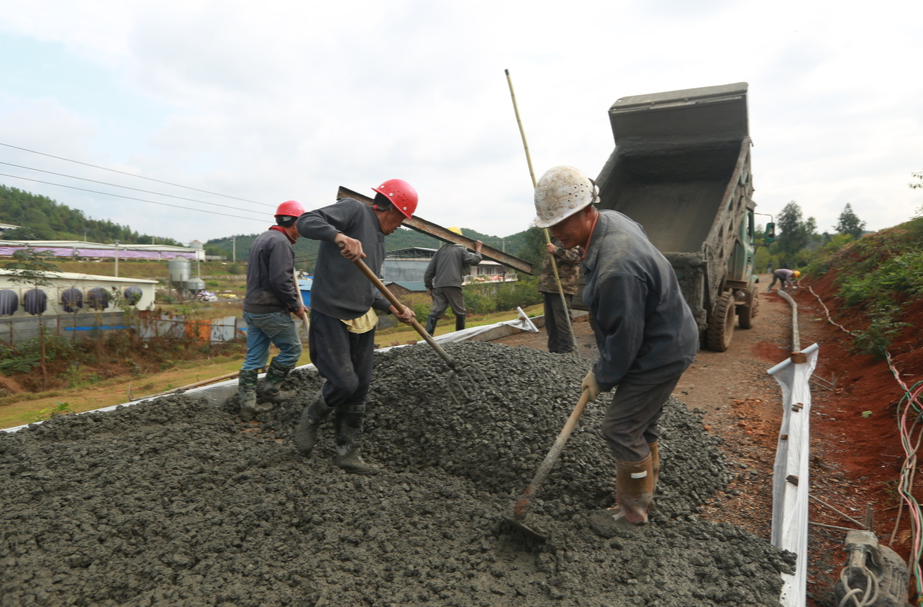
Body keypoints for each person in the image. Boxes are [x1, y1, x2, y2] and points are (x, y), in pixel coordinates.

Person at [533, 165, 699, 526]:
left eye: (562, 223)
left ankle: (633, 511)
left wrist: (602, 375)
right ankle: (648, 482)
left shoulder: (616, 268)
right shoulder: (611, 220)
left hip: (661, 348)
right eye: (551, 225)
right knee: (643, 421)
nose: (556, 233)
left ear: (586, 210)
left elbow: (625, 341)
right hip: (667, 334)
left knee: (620, 428)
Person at [293, 179, 418, 475]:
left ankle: (349, 453)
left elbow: (368, 289)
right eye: (402, 217)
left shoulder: (380, 241)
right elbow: (305, 221)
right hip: (331, 314)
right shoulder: (354, 211)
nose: (402, 225)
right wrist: (338, 236)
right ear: (392, 208)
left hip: (362, 318)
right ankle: (312, 416)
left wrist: (393, 307)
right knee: (344, 383)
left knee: (359, 389)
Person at [238, 200, 309, 421]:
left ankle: (248, 404)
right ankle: (271, 391)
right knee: (292, 350)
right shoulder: (280, 243)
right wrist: (296, 306)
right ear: (295, 222)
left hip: (252, 309)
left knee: (254, 358)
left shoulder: (263, 238)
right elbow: (281, 280)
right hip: (270, 309)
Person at [423, 227, 483, 334]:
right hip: (453, 284)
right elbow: (474, 260)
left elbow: (429, 272)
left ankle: (428, 337)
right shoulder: (461, 250)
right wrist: (478, 249)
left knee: (436, 311)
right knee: (460, 312)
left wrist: (429, 287)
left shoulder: (440, 251)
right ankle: (459, 338)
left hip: (439, 286)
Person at [539, 240, 581, 354]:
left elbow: (576, 257)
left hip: (562, 287)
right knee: (550, 322)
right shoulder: (553, 240)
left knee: (562, 322)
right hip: (549, 287)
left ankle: (566, 351)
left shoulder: (570, 240)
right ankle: (554, 351)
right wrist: (543, 285)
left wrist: (556, 250)